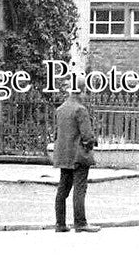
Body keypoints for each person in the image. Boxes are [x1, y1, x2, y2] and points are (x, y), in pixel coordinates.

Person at [52, 81, 99, 232]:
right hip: (78, 156)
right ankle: (80, 223)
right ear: (81, 92)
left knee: (63, 189)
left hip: (63, 155)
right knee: (79, 189)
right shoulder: (80, 109)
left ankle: (60, 224)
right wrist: (90, 144)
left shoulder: (61, 109)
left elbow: (57, 133)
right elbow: (87, 136)